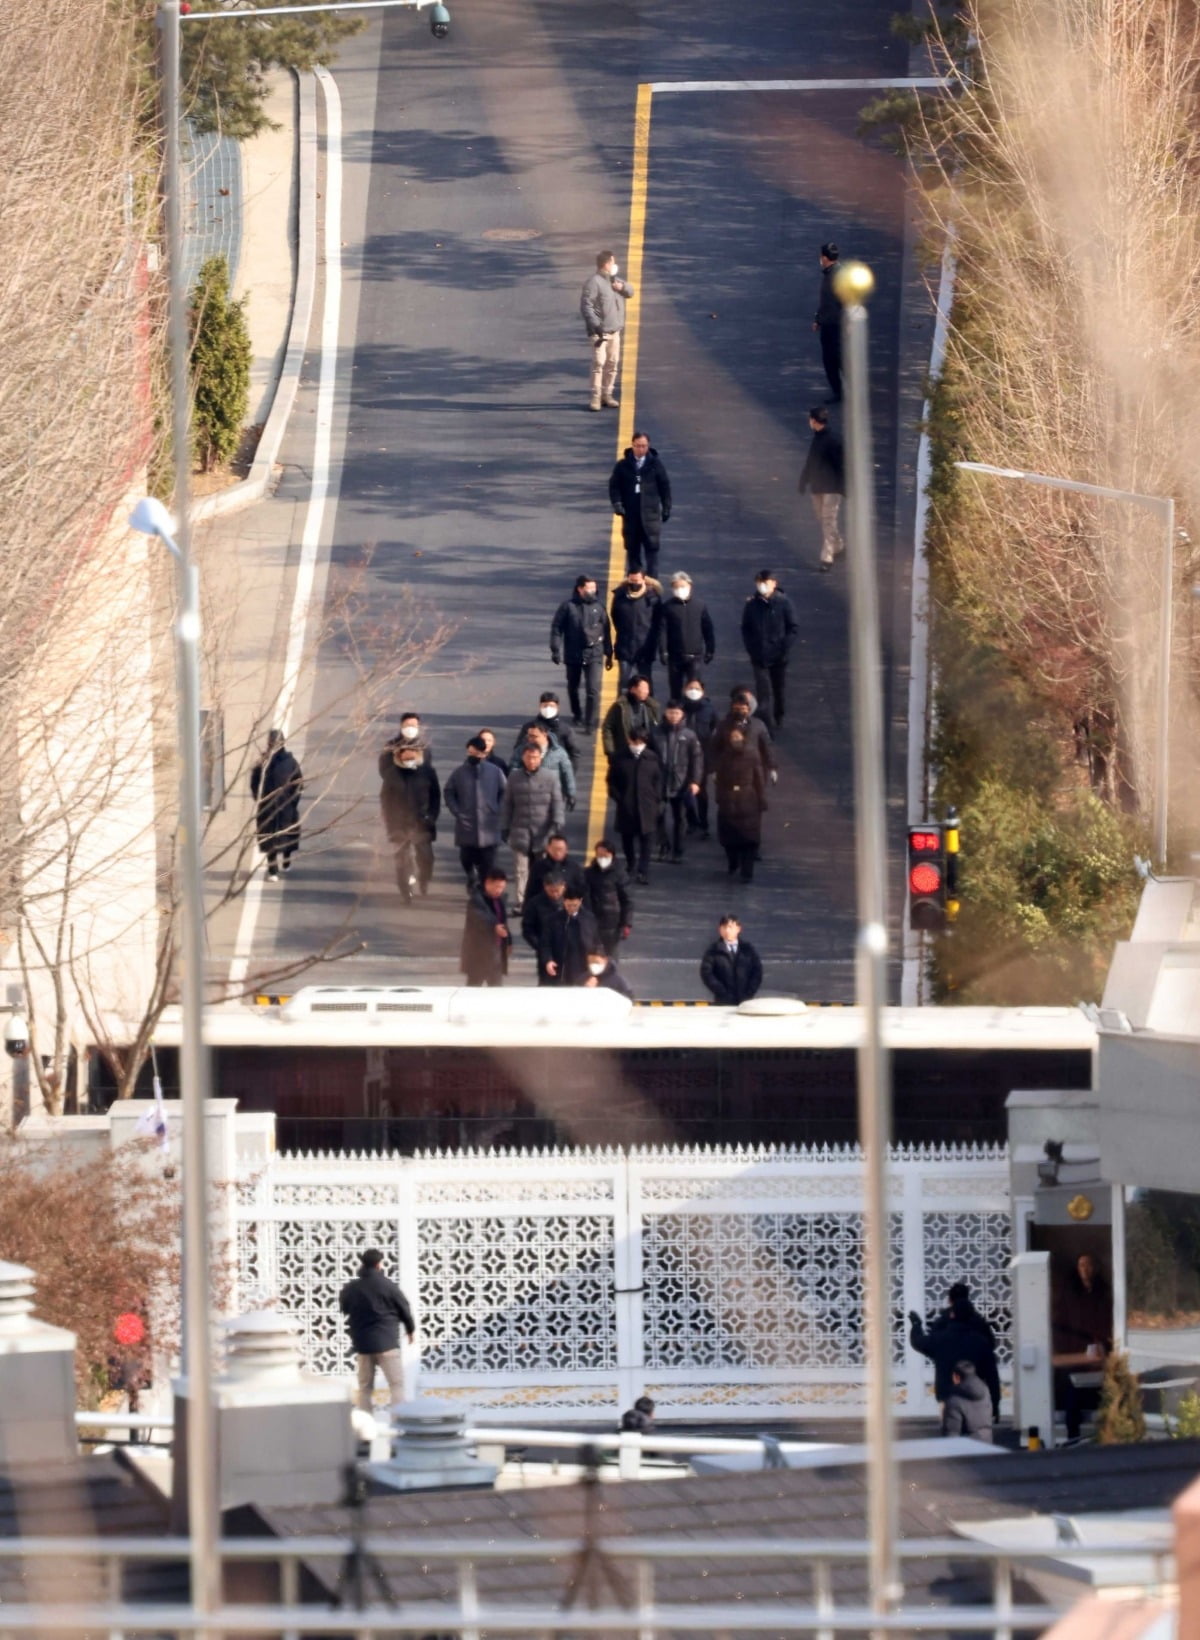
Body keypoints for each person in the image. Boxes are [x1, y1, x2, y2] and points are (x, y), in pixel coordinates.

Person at [338, 1247, 416, 1414]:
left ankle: (366, 1424)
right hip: (387, 1343)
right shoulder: (388, 1286)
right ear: (379, 1264)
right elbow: (404, 1308)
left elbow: (344, 1307)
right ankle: (398, 1421)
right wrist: (410, 1330)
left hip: (363, 1346)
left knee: (365, 1387)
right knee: (396, 1384)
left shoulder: (352, 1288)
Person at [1053, 1253, 1113, 1441]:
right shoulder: (1070, 1293)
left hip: (1099, 1350)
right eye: (1082, 1265)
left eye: (1089, 1265)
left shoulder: (1102, 1292)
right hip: (1076, 1352)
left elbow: (1106, 1319)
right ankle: (1073, 1434)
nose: (1085, 1269)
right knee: (1073, 1392)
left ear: (1094, 1268)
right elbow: (1064, 1322)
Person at [499, 743, 565, 910]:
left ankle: (543, 899)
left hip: (544, 833)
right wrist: (504, 826)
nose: (531, 760)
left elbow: (557, 802)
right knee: (521, 870)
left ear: (540, 758)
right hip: (520, 830)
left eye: (535, 757)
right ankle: (522, 901)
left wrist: (557, 823)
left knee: (543, 869)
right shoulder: (514, 777)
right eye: (528, 757)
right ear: (523, 757)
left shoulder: (550, 777)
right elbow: (507, 804)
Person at [928, 1282, 1002, 1420]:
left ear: (949, 1300)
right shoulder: (979, 1322)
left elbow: (931, 1346)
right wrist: (995, 1403)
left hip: (947, 1385)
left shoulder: (941, 1322)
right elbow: (990, 1355)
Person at [550, 574, 613, 734]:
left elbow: (606, 630)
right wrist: (555, 649)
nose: (592, 590)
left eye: (594, 587)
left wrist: (609, 652)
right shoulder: (568, 607)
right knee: (573, 686)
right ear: (580, 589)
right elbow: (557, 628)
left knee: (593, 689)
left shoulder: (599, 607)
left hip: (594, 654)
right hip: (573, 653)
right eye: (588, 587)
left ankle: (590, 722)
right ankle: (577, 713)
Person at [443, 735, 507, 891]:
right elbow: (449, 792)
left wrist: (498, 809)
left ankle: (482, 892)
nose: (472, 756)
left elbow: (505, 793)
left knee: (488, 863)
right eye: (470, 753)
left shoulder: (495, 772)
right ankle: (471, 875)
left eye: (476, 753)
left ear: (484, 754)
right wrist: (457, 811)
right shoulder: (459, 773)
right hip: (467, 823)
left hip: (489, 825)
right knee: (466, 857)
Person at [379, 741, 440, 901]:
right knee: (402, 861)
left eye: (412, 752)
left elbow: (435, 796)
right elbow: (386, 801)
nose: (409, 755)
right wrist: (390, 823)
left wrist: (432, 816)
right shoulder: (392, 774)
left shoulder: (427, 772)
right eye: (405, 752)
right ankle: (405, 890)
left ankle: (424, 879)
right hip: (399, 824)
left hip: (421, 823)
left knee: (426, 858)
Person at [740, 571, 799, 731]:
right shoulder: (752, 605)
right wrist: (751, 648)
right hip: (759, 656)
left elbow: (792, 628)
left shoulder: (784, 603)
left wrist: (783, 647)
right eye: (759, 582)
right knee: (763, 692)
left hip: (779, 656)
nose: (762, 585)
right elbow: (746, 628)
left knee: (778, 689)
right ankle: (766, 724)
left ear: (774, 583)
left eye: (765, 582)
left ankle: (779, 714)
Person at [609, 431, 672, 579]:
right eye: (638, 446)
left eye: (644, 446)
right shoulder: (623, 466)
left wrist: (666, 507)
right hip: (631, 517)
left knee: (652, 552)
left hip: (650, 517)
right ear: (632, 445)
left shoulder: (656, 465)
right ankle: (634, 581)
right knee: (632, 551)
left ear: (648, 446)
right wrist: (617, 504)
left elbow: (665, 487)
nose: (641, 449)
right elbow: (614, 486)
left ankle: (652, 586)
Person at [908, 1305, 998, 1409]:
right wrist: (995, 1402)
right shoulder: (981, 1342)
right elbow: (992, 1375)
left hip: (948, 1396)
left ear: (952, 1315)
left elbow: (918, 1341)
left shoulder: (940, 1339)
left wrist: (916, 1325)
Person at [608, 728, 664, 886]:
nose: (638, 745)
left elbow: (658, 780)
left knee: (647, 840)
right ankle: (631, 863)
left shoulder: (652, 758)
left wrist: (657, 797)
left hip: (648, 807)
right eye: (635, 742)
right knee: (627, 838)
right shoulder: (619, 758)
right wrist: (619, 798)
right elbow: (612, 781)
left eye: (641, 742)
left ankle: (643, 870)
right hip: (627, 807)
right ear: (629, 741)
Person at [580, 248, 634, 411]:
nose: (614, 264)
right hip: (600, 333)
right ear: (606, 264)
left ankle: (607, 394)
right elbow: (586, 306)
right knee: (599, 363)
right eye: (613, 261)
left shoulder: (614, 280)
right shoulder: (594, 282)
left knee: (612, 363)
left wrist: (622, 287)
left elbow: (630, 292)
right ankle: (596, 398)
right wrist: (596, 325)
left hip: (615, 331)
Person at [652, 700, 703, 863]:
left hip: (680, 783)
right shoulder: (655, 733)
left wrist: (695, 781)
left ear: (682, 715)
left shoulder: (689, 735)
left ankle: (678, 850)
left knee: (679, 818)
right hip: (659, 783)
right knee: (658, 816)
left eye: (677, 713)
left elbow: (697, 759)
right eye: (671, 712)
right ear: (665, 713)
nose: (673, 716)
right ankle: (663, 846)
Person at [714, 728, 767, 882]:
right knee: (729, 838)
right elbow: (720, 779)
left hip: (748, 799)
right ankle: (733, 862)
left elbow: (759, 778)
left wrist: (761, 799)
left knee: (748, 838)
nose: (735, 739)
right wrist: (719, 797)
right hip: (728, 800)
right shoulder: (725, 756)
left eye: (738, 736)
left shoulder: (752, 754)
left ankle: (747, 871)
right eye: (732, 736)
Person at [250, 728, 303, 881]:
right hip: (267, 807)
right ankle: (273, 870)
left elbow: (298, 783)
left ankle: (286, 862)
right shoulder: (263, 763)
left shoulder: (290, 762)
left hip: (286, 806)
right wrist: (259, 799)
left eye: (277, 742)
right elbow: (254, 783)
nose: (274, 745)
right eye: (272, 742)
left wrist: (293, 801)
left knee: (288, 836)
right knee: (269, 839)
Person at [655, 571, 715, 703]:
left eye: (682, 586)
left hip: (695, 657)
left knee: (694, 691)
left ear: (690, 586)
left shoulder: (699, 606)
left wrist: (710, 649)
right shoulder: (667, 607)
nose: (679, 590)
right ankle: (675, 717)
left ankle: (693, 717)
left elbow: (707, 629)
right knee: (675, 692)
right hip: (675, 657)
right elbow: (662, 631)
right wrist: (663, 651)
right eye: (676, 587)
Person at [798, 405, 845, 571]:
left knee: (827, 521)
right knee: (823, 520)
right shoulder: (818, 438)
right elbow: (811, 462)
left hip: (831, 488)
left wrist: (843, 487)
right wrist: (803, 480)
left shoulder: (833, 440)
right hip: (817, 487)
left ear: (814, 421)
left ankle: (827, 557)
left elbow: (842, 465)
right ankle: (838, 543)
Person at [710, 690, 777, 786]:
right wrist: (714, 769)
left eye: (743, 708)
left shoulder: (758, 725)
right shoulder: (723, 726)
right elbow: (715, 748)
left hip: (753, 772)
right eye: (737, 708)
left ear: (748, 709)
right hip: (729, 771)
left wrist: (772, 767)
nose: (740, 712)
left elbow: (767, 746)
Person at [610, 567, 662, 692]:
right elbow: (615, 616)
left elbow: (658, 621)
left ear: (643, 579)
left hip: (644, 647)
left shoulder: (652, 598)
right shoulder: (620, 595)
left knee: (645, 682)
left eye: (637, 580)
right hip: (624, 646)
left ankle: (648, 710)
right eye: (631, 580)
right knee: (624, 683)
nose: (634, 583)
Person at [460, 867, 512, 987]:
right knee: (474, 987)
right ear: (488, 883)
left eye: (502, 888)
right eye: (497, 887)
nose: (499, 891)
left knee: (496, 989)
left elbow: (503, 922)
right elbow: (480, 917)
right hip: (478, 953)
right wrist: (494, 926)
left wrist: (508, 942)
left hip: (496, 953)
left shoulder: (500, 900)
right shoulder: (476, 900)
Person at [681, 675, 719, 837]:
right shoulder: (679, 709)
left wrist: (713, 763)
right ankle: (691, 822)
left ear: (703, 691)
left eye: (697, 688)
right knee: (685, 791)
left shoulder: (709, 710)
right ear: (684, 690)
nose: (693, 691)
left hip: (702, 758)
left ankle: (703, 823)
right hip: (682, 758)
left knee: (702, 792)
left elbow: (715, 735)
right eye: (690, 688)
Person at [584, 838, 633, 955]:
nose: (602, 858)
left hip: (611, 923)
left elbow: (627, 901)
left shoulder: (620, 875)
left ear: (612, 855)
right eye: (599, 855)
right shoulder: (588, 873)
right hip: (591, 921)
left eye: (605, 855)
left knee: (610, 957)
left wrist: (626, 923)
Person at [540, 891, 599, 986]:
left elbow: (596, 943)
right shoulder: (553, 920)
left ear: (580, 901)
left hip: (583, 966)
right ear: (564, 902)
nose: (571, 908)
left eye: (574, 905)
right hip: (561, 968)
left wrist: (596, 967)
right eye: (568, 905)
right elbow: (545, 944)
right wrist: (548, 960)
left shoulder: (589, 919)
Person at [700, 915, 763, 1005]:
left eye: (730, 927)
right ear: (720, 930)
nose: (727, 931)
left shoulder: (747, 949)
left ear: (738, 929)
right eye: (724, 927)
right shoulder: (713, 950)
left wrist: (750, 992)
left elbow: (757, 971)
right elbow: (706, 973)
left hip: (745, 1001)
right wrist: (720, 991)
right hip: (723, 1001)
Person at [602, 673, 662, 764]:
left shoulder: (652, 707)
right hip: (625, 753)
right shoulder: (620, 706)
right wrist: (610, 751)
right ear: (633, 689)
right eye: (643, 689)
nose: (647, 692)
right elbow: (607, 727)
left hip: (646, 753)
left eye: (648, 689)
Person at [522, 870, 569, 983]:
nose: (555, 894)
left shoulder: (570, 902)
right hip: (546, 953)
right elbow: (528, 929)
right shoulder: (535, 904)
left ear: (564, 886)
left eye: (557, 891)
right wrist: (541, 947)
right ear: (545, 887)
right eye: (551, 891)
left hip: (569, 953)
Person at [518, 721, 577, 813]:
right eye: (529, 736)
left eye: (534, 736)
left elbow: (567, 774)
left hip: (552, 797)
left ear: (544, 734)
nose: (531, 739)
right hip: (527, 795)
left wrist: (571, 794)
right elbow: (513, 769)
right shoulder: (521, 750)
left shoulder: (558, 753)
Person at [512, 692, 582, 769]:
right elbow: (518, 749)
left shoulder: (565, 729)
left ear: (557, 707)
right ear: (540, 706)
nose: (548, 709)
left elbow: (574, 753)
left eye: (551, 706)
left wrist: (569, 772)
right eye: (545, 706)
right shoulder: (529, 727)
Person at [812, 241, 842, 401]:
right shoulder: (830, 273)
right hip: (829, 324)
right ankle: (840, 390)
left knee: (834, 360)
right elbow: (825, 302)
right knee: (832, 360)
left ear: (825, 258)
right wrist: (818, 318)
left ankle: (841, 391)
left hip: (836, 326)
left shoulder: (837, 276)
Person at [943, 1361, 993, 1443]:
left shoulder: (954, 1400)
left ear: (956, 1377)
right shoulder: (985, 1390)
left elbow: (952, 1432)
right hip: (987, 1442)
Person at [528, 833, 587, 900]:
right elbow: (530, 892)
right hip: (543, 907)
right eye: (554, 849)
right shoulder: (538, 867)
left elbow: (582, 892)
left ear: (566, 850)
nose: (557, 852)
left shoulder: (574, 868)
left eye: (560, 849)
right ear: (548, 848)